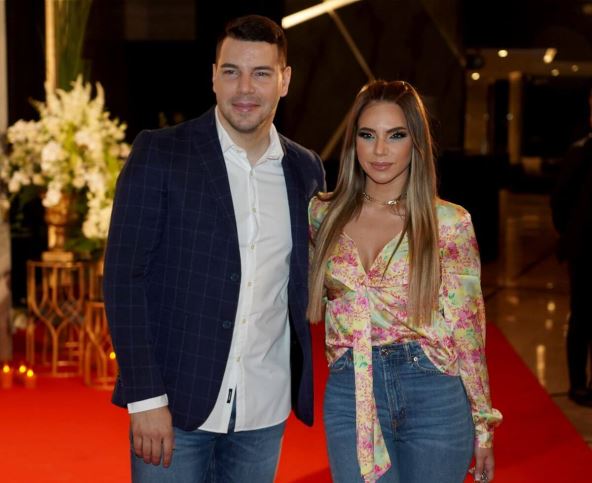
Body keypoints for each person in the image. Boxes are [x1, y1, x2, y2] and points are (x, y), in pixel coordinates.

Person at [103, 15, 325, 482]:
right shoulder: (161, 153)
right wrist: (145, 397)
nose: (245, 88)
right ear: (213, 76)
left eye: (261, 73)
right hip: (173, 408)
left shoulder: (306, 170)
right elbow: (124, 280)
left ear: (284, 80)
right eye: (231, 71)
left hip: (264, 409)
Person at [307, 80, 502, 483]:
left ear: (417, 142)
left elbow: (468, 330)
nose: (379, 150)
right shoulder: (322, 215)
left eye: (396, 135)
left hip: (433, 392)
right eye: (367, 135)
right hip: (352, 390)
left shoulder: (449, 223)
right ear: (353, 142)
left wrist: (483, 425)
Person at [550, 89, 592, 407]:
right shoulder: (581, 151)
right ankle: (577, 384)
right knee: (582, 315)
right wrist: (571, 235)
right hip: (585, 249)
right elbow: (560, 201)